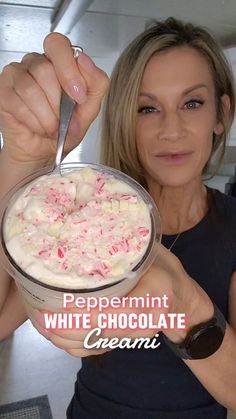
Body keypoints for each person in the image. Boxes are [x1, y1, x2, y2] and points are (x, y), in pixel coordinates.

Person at [0, 16, 236, 419]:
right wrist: (22, 158)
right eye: (148, 108)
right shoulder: (86, 219)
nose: (171, 129)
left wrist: (184, 303)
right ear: (127, 116)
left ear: (221, 113)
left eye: (192, 103)